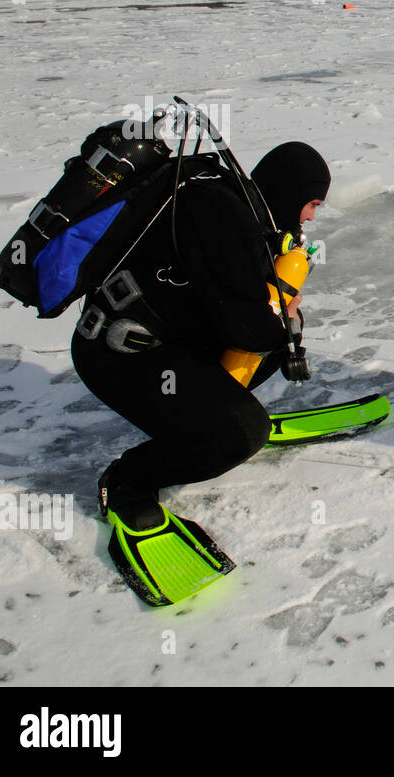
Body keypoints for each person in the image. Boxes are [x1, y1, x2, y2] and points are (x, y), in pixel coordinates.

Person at [71, 140, 331, 530]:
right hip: (117, 353)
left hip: (161, 341)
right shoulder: (225, 220)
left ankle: (207, 417)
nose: (310, 218)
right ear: (291, 193)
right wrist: (285, 312)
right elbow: (252, 331)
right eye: (312, 204)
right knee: (242, 433)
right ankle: (129, 478)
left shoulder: (244, 208)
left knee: (280, 341)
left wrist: (283, 318)